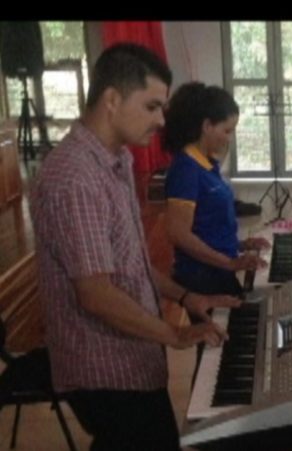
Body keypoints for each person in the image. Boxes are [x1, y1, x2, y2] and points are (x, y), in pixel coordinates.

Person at [30, 43, 238, 451]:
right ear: (112, 99)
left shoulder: (117, 160)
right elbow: (95, 294)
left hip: (133, 358)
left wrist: (185, 295)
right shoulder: (75, 178)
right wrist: (173, 334)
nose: (163, 121)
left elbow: (132, 263)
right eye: (152, 107)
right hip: (104, 369)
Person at [163, 82, 268, 298]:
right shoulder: (186, 168)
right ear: (207, 126)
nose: (229, 138)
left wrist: (240, 245)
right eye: (227, 130)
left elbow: (206, 227)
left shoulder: (206, 164)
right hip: (202, 278)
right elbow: (178, 233)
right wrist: (229, 262)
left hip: (218, 271)